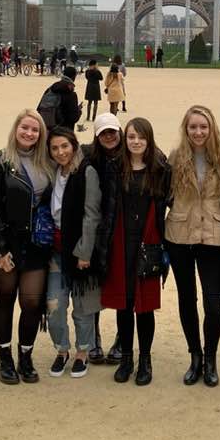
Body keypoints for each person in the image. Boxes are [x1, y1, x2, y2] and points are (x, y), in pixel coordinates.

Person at [100, 117, 172, 385]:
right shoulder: (115, 167)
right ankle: (126, 358)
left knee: (145, 306)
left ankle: (145, 360)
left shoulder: (160, 169)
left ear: (148, 139)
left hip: (148, 242)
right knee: (124, 303)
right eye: (131, 136)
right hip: (120, 241)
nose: (136, 141)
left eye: (141, 137)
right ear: (125, 138)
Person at [166, 105, 220, 387]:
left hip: (212, 237)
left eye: (203, 127)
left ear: (211, 128)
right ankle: (195, 355)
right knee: (186, 299)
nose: (198, 132)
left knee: (213, 304)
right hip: (180, 235)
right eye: (193, 127)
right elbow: (166, 196)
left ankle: (210, 358)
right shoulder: (174, 159)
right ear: (186, 129)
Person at [0, 109, 54, 385]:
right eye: (25, 128)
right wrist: (0, 249)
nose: (29, 133)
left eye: (35, 130)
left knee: (31, 302)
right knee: (4, 297)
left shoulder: (47, 162)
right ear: (16, 129)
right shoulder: (0, 161)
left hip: (37, 243)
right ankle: (4, 357)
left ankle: (25, 355)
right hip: (7, 241)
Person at [45, 127, 103, 379]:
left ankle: (82, 352)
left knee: (83, 307)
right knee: (54, 305)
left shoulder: (86, 172)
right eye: (55, 148)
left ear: (74, 146)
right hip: (55, 250)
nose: (60, 152)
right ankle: (62, 349)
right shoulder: (52, 172)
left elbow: (92, 215)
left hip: (79, 249)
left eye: (65, 146)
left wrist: (85, 252)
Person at [82, 113, 125, 365]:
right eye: (104, 133)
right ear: (97, 136)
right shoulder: (87, 157)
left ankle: (121, 338)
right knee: (94, 285)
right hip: (96, 230)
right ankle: (94, 336)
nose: (109, 137)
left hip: (120, 229)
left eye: (112, 132)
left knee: (121, 285)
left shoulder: (131, 155)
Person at [47, 66, 83, 130]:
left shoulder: (51, 89)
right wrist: (79, 110)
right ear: (74, 77)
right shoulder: (71, 94)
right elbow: (74, 118)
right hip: (65, 131)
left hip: (49, 128)